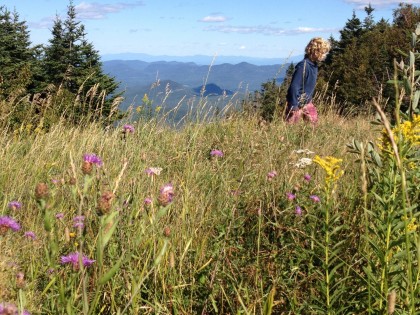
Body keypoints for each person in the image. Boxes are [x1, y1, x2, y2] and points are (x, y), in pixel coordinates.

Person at [285, 37, 330, 124]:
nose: (325, 55)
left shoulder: (314, 65)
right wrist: (294, 105)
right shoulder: (303, 66)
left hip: (307, 101)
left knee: (313, 122)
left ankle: (309, 137)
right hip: (296, 102)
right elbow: (294, 86)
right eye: (323, 52)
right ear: (316, 52)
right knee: (291, 128)